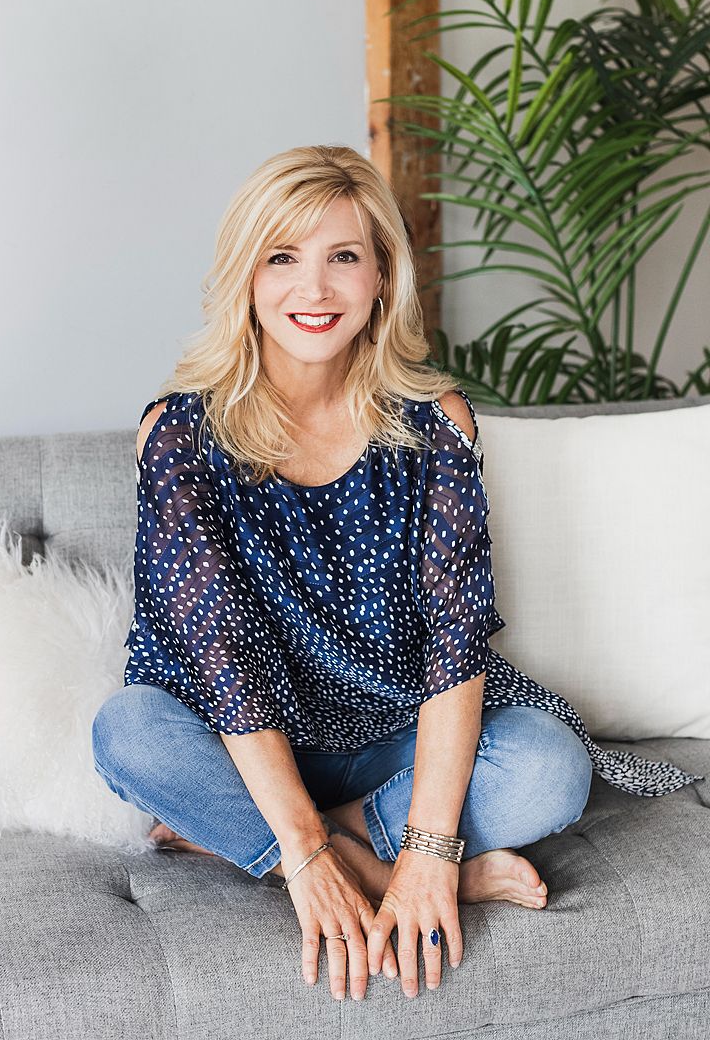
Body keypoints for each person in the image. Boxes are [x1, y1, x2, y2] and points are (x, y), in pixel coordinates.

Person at [91, 144, 704, 1004]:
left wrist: (428, 852)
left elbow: (457, 646)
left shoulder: (436, 424)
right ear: (245, 277)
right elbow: (222, 662)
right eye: (282, 257)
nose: (314, 289)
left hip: (395, 731)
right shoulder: (180, 435)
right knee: (127, 733)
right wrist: (326, 861)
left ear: (382, 276)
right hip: (242, 740)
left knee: (548, 769)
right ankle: (345, 860)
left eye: (343, 256)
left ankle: (255, 837)